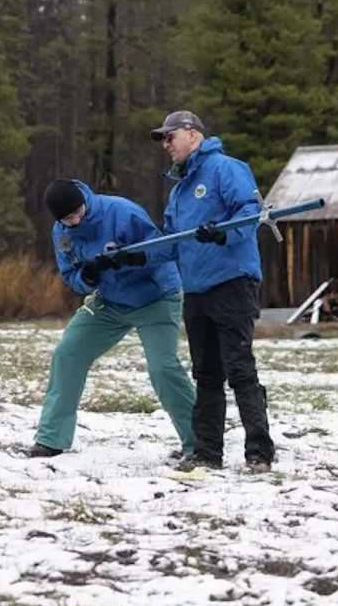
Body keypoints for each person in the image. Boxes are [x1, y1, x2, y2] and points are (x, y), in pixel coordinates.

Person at [29, 179, 197, 461]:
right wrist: (89, 276)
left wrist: (132, 258)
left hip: (156, 297)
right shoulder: (62, 234)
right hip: (109, 301)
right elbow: (71, 276)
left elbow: (164, 249)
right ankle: (51, 439)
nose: (76, 218)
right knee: (68, 354)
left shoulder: (121, 211)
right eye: (69, 217)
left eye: (78, 211)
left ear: (84, 201)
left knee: (162, 369)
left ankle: (199, 441)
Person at [152, 111, 274, 474]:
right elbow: (169, 242)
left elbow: (250, 211)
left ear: (192, 134)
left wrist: (222, 231)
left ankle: (259, 452)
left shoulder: (226, 168)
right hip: (196, 290)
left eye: (169, 136)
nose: (165, 145)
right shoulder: (178, 191)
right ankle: (207, 453)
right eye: (162, 139)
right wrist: (124, 256)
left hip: (231, 283)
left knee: (239, 369)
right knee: (206, 375)